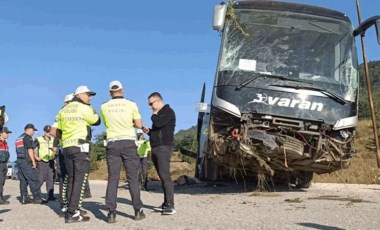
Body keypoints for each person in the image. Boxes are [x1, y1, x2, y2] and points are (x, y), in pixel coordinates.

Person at [53, 86, 101, 223]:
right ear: (80, 95)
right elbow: (97, 121)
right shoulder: (84, 108)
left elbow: (54, 130)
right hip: (80, 147)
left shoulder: (63, 110)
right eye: (88, 94)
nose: (90, 97)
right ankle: (73, 212)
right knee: (79, 180)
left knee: (72, 179)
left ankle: (69, 209)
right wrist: (93, 110)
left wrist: (66, 139)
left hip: (67, 147)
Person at [101, 80, 145, 223]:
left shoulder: (104, 106)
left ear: (109, 92)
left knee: (113, 178)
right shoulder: (131, 104)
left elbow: (107, 123)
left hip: (112, 143)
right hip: (128, 142)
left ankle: (111, 212)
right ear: (122, 90)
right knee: (132, 177)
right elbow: (138, 124)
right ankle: (138, 210)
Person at [143, 92, 176, 215]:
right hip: (156, 147)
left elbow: (158, 123)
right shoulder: (159, 115)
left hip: (163, 148)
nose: (150, 107)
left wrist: (154, 115)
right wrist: (149, 131)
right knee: (162, 176)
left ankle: (170, 205)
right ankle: (166, 203)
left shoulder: (168, 112)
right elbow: (158, 129)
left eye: (151, 104)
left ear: (158, 101)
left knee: (165, 175)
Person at [15, 124, 45, 204]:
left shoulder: (19, 138)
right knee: (33, 179)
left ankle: (24, 198)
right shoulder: (27, 137)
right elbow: (30, 150)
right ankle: (37, 198)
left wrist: (37, 157)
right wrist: (34, 161)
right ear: (29, 129)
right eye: (33, 130)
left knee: (23, 180)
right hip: (26, 161)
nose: (34, 132)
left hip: (19, 161)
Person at [34, 125, 59, 201]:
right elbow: (32, 148)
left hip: (51, 161)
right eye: (47, 132)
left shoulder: (54, 139)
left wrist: (54, 150)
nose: (49, 133)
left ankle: (50, 196)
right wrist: (36, 157)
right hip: (42, 161)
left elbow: (56, 149)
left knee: (50, 179)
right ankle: (36, 195)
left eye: (50, 132)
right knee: (40, 179)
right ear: (44, 132)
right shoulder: (38, 139)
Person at [0, 127, 11, 205]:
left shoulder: (5, 143)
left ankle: (1, 197)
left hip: (4, 164)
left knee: (2, 182)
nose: (8, 134)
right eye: (6, 133)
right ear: (1, 133)